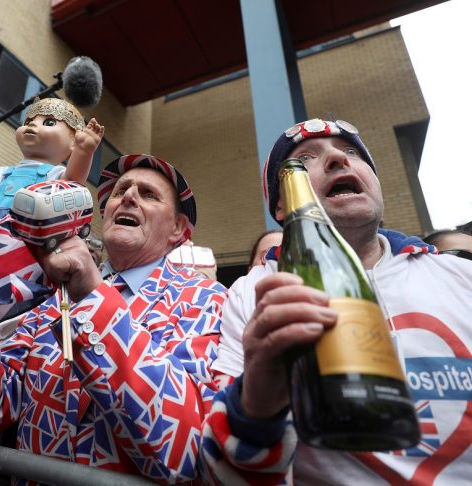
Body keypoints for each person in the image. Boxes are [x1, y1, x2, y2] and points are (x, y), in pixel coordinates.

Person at [199, 118, 472, 485]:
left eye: (351, 153)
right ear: (281, 207)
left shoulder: (459, 277)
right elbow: (219, 475)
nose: (336, 160)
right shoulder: (253, 294)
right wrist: (257, 408)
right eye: (307, 159)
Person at [0, 154, 226, 483]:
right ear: (103, 215)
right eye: (120, 192)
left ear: (178, 228)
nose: (129, 197)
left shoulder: (206, 299)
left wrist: (92, 294)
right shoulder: (48, 299)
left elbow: (182, 453)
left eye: (148, 194)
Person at [0, 97, 104, 333]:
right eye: (29, 120)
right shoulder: (8, 171)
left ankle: (9, 314)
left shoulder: (55, 172)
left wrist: (85, 151)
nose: (32, 125)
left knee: (14, 275)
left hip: (25, 236)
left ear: (71, 145)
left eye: (47, 122)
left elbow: (72, 182)